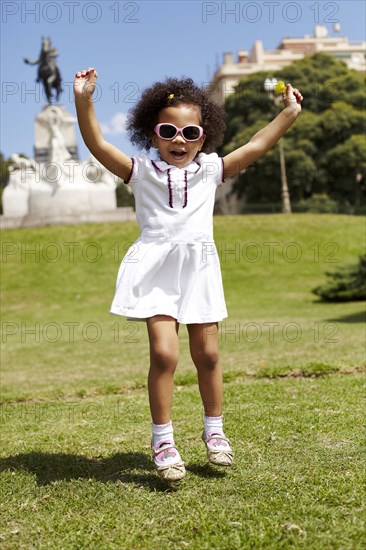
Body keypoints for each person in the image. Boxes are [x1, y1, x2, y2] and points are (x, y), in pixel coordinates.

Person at [74, 68, 303, 482]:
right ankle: (163, 439)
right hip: (155, 271)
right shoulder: (140, 170)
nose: (179, 140)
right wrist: (85, 98)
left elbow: (255, 145)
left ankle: (214, 431)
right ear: (151, 133)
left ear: (205, 134)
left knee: (209, 355)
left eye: (190, 133)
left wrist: (288, 113)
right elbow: (96, 143)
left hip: (199, 270)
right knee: (164, 354)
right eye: (168, 130)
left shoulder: (210, 170)